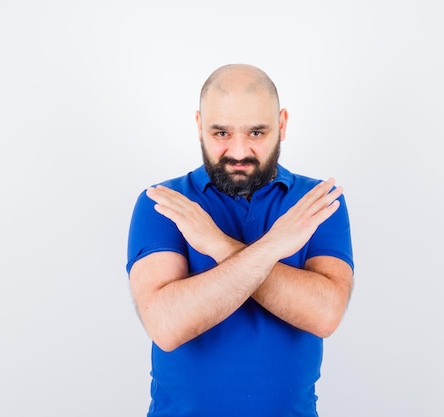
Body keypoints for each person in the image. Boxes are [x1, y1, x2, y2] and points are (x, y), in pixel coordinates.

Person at [126, 64, 354, 417]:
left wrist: (217, 244)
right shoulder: (165, 203)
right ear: (199, 125)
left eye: (256, 133)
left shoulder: (317, 204)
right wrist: (274, 246)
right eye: (221, 133)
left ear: (282, 124)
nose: (238, 151)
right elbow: (166, 325)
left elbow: (324, 314)